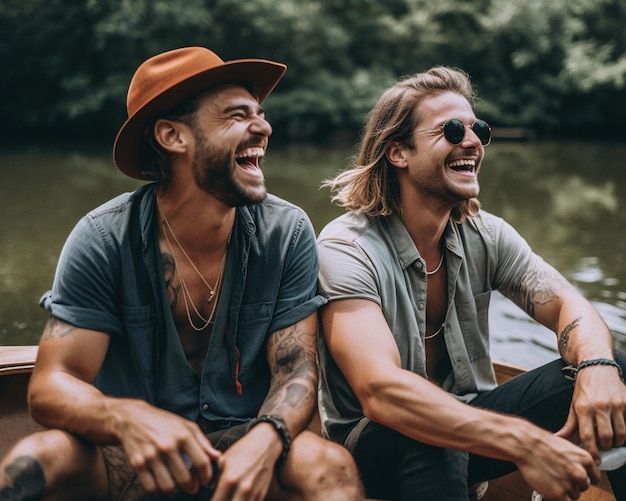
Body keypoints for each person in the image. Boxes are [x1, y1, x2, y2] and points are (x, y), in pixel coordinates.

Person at [0, 46, 364, 501]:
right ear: (173, 136)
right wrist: (126, 419)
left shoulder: (286, 231)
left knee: (329, 467)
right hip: (129, 453)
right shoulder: (102, 237)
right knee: (34, 461)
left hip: (241, 444)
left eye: (260, 114)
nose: (264, 127)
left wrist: (266, 439)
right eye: (237, 115)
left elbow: (295, 370)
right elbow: (50, 387)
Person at [316, 66, 626, 501]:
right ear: (398, 152)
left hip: (474, 427)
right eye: (452, 129)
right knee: (437, 438)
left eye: (478, 128)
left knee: (617, 371)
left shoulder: (485, 233)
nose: (473, 140)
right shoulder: (345, 248)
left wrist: (597, 368)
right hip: (373, 444)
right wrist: (527, 443)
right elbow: (380, 391)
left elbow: (568, 306)